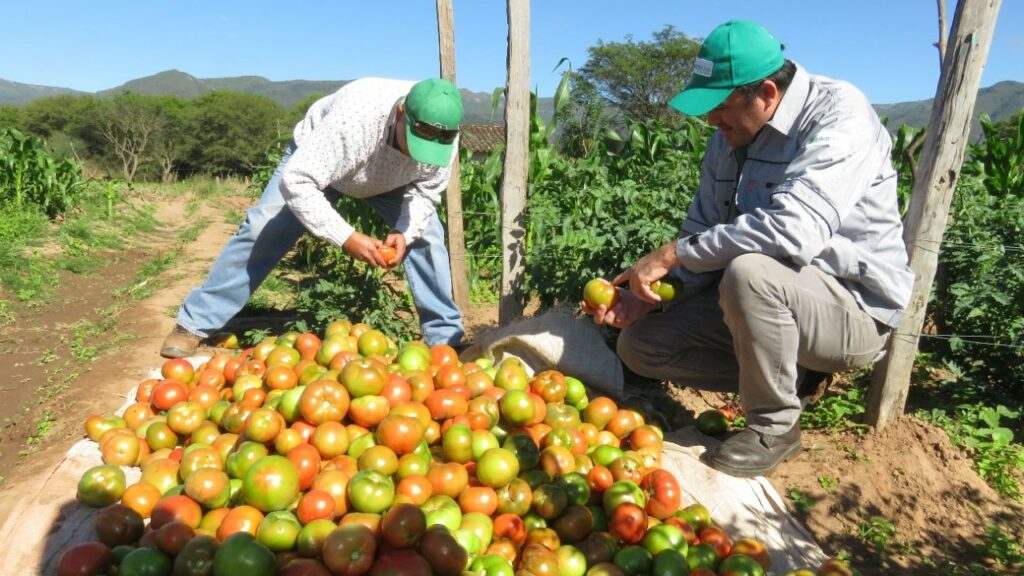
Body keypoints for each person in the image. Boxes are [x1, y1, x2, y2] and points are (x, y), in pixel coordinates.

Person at [583, 20, 914, 477]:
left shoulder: (839, 115)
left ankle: (774, 427)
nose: (710, 120)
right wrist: (653, 296)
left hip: (852, 310)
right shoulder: (728, 140)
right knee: (641, 346)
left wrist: (673, 254)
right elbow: (704, 228)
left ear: (766, 95)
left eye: (719, 106)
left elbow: (794, 231)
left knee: (750, 271)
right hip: (772, 302)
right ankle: (796, 378)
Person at [160, 77, 466, 358]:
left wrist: (405, 232)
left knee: (427, 237)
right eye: (415, 142)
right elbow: (298, 181)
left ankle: (444, 340)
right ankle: (194, 323)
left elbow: (425, 194)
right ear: (401, 113)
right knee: (263, 228)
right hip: (320, 167)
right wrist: (346, 237)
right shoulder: (356, 119)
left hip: (391, 180)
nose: (419, 155)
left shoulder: (444, 139)